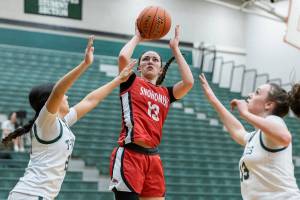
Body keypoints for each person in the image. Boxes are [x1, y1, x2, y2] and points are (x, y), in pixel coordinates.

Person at [2, 36, 136, 200]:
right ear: (51, 100)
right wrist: (84, 64)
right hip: (30, 195)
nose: (66, 97)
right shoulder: (45, 122)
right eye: (64, 95)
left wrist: (118, 80)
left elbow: (90, 100)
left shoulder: (61, 122)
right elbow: (58, 90)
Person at [109, 25, 194, 200]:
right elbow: (123, 57)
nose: (150, 61)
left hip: (153, 157)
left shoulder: (166, 93)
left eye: (155, 60)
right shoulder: (130, 81)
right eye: (146, 59)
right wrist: (138, 37)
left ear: (161, 69)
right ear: (139, 67)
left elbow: (188, 82)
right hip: (130, 154)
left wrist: (175, 49)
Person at [199, 73, 300, 200]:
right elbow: (238, 131)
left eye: (257, 92)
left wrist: (245, 113)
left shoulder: (275, 121)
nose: (250, 94)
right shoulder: (257, 135)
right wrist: (213, 99)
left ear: (268, 104)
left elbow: (285, 137)